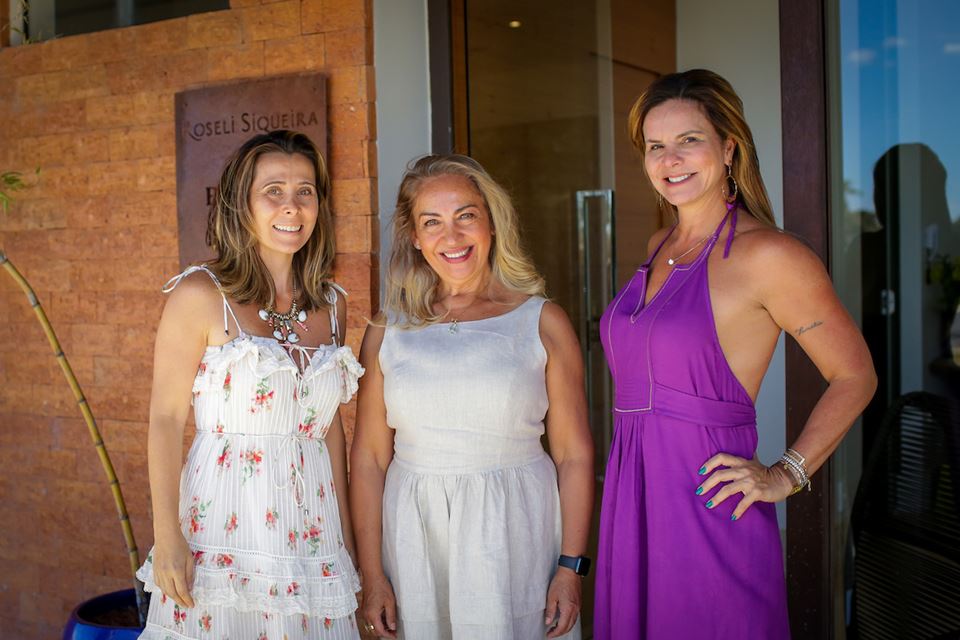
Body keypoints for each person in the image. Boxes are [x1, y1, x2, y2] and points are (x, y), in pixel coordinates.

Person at [593, 69, 877, 638]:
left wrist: (786, 473)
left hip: (708, 508)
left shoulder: (769, 255)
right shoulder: (658, 247)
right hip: (632, 499)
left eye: (688, 140)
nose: (670, 159)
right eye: (655, 146)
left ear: (728, 146)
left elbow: (855, 375)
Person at [349, 154, 594, 639]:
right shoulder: (387, 330)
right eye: (432, 222)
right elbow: (371, 459)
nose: (452, 236)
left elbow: (574, 455)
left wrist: (571, 567)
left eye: (466, 215)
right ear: (415, 238)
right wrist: (372, 575)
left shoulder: (541, 321)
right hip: (415, 534)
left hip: (514, 528)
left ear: (491, 223)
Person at [136, 130, 363, 639]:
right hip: (223, 533)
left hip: (313, 536)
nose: (292, 206)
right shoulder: (200, 293)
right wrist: (167, 536)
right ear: (243, 203)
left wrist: (347, 543)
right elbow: (166, 420)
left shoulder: (331, 304)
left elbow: (328, 433)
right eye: (274, 191)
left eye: (305, 191)